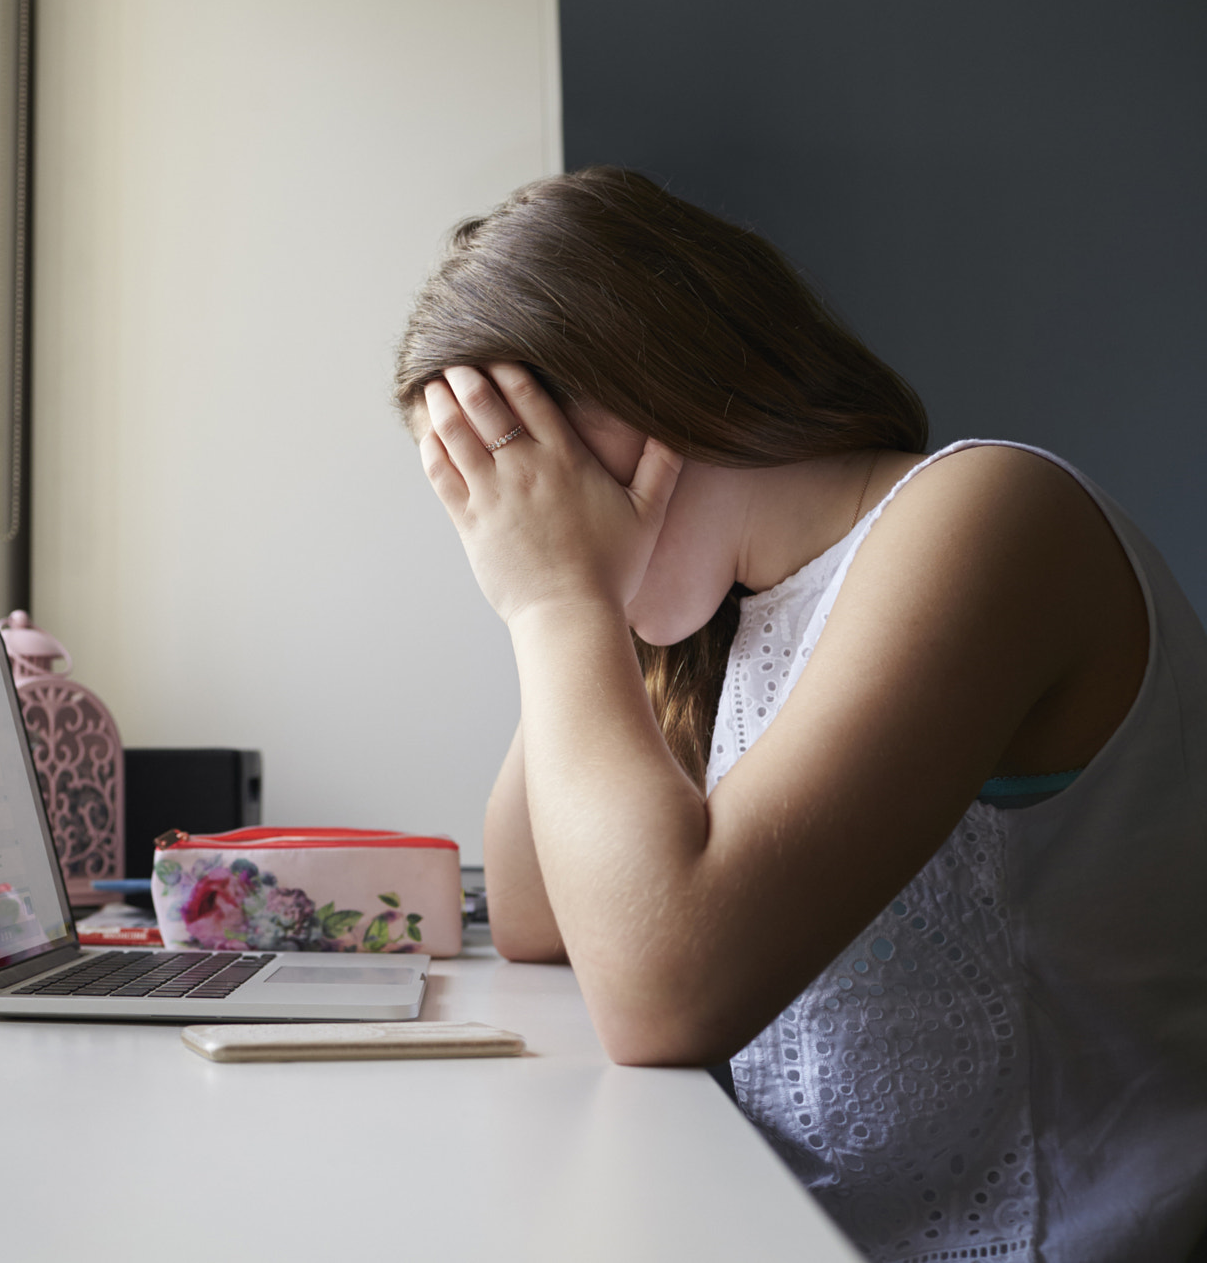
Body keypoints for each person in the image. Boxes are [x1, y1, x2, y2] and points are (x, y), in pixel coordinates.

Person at [394, 167, 1207, 1263]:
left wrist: (556, 600)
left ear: (646, 375)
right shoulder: (716, 624)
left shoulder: (986, 515)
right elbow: (542, 919)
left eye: (509, 450)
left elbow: (662, 993)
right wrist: (564, 602)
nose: (504, 497)